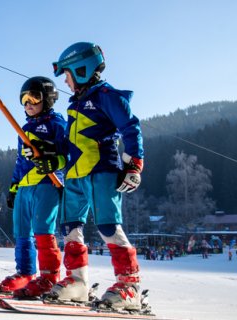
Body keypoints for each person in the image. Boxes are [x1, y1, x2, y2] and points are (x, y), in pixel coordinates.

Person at [41, 42, 145, 311]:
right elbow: (70, 145)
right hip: (75, 175)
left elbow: (130, 127)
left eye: (67, 74)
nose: (65, 80)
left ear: (82, 69)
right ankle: (77, 282)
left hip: (101, 172)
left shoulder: (106, 95)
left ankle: (129, 285)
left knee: (108, 226)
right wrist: (53, 156)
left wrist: (133, 164)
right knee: (70, 229)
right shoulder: (75, 104)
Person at [0, 76, 68, 299]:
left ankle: (49, 277)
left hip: (46, 183)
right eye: (23, 99)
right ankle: (25, 273)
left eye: (33, 98)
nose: (28, 104)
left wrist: (52, 157)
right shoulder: (24, 128)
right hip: (25, 186)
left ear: (48, 99)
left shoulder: (57, 124)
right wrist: (14, 187)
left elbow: (67, 155)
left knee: (43, 230)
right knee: (22, 232)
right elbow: (19, 161)